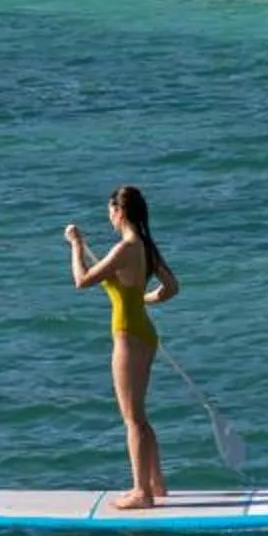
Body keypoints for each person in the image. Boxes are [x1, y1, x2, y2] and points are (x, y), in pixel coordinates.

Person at [65, 184, 180, 508]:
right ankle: (157, 484)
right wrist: (141, 299)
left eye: (110, 213)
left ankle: (141, 493)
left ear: (119, 212)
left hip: (128, 336)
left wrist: (76, 245)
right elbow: (171, 287)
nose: (110, 219)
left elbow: (82, 280)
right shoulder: (145, 246)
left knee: (132, 418)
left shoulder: (124, 249)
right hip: (145, 332)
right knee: (141, 416)